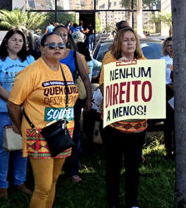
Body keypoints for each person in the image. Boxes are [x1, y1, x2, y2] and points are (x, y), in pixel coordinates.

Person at [7, 32, 79, 208]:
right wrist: (20, 128)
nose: (57, 49)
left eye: (61, 45)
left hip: (62, 131)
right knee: (43, 187)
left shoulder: (66, 70)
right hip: (38, 134)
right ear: (42, 49)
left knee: (53, 181)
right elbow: (13, 104)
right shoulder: (30, 72)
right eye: (51, 46)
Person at [99, 27, 147, 208]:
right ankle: (113, 202)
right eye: (126, 40)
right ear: (119, 42)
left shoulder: (143, 61)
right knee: (113, 165)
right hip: (114, 125)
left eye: (132, 40)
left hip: (138, 126)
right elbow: (104, 88)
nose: (129, 43)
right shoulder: (110, 59)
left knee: (133, 166)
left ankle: (132, 202)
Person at [0, 29, 34, 199]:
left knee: (23, 147)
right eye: (14, 40)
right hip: (2, 110)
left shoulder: (29, 60)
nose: (17, 43)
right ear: (6, 41)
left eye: (20, 41)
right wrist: (16, 102)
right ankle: (2, 186)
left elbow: (34, 83)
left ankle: (19, 181)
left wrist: (22, 105)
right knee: (4, 148)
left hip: (25, 110)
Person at [53, 25, 93, 183]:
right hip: (52, 102)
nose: (62, 38)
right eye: (58, 35)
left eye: (64, 35)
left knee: (74, 134)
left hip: (73, 102)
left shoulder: (75, 55)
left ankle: (73, 170)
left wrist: (89, 99)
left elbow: (85, 78)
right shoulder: (46, 55)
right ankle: (53, 169)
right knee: (54, 133)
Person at [160, 36, 174, 159]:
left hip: (181, 94)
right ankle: (168, 151)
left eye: (174, 45)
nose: (171, 48)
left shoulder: (183, 59)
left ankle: (178, 148)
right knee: (168, 124)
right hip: (167, 94)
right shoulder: (162, 61)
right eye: (169, 45)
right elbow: (161, 79)